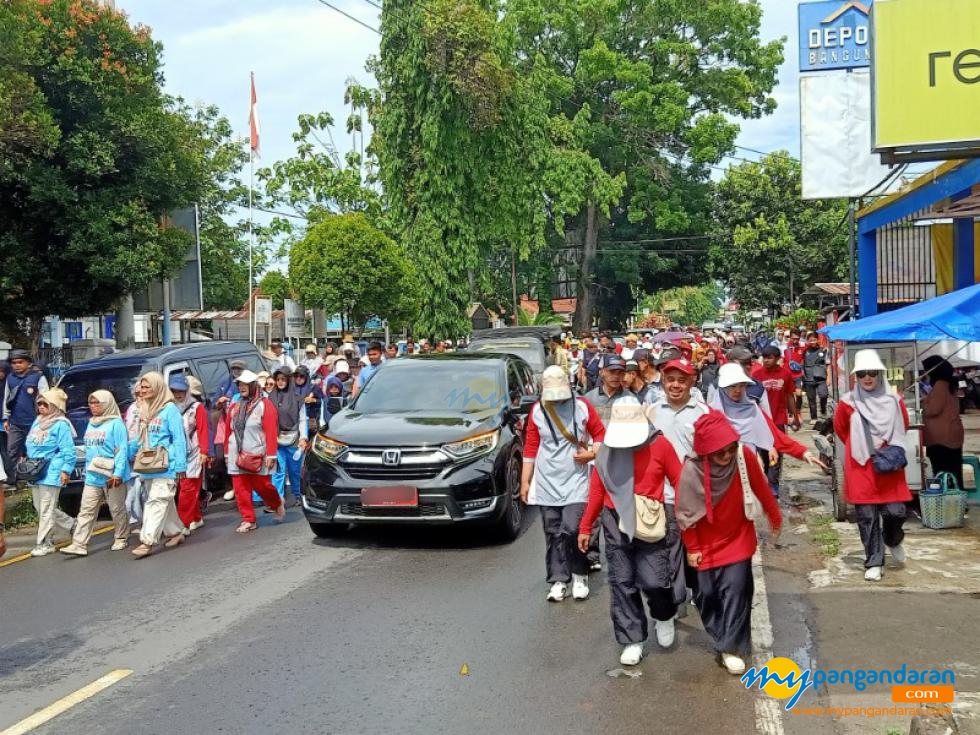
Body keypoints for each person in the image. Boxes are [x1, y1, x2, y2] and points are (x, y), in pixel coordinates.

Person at [579, 396, 683, 666]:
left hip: (649, 520)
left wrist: (687, 516)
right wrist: (586, 527)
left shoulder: (660, 445)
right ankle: (632, 639)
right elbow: (597, 490)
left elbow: (680, 480)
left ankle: (664, 614)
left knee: (655, 580)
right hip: (615, 520)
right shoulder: (607, 450)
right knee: (622, 582)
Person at [676, 410, 782, 675]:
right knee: (706, 595)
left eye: (730, 448)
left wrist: (775, 516)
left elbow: (760, 487)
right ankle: (722, 635)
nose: (727, 455)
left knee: (736, 589)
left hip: (737, 537)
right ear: (705, 452)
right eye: (719, 452)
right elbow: (686, 514)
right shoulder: (691, 471)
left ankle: (731, 647)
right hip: (704, 542)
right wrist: (693, 548)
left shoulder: (743, 457)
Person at [520, 366, 605, 602]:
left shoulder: (582, 407)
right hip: (547, 479)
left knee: (572, 528)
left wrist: (591, 455)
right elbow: (531, 447)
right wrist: (525, 480)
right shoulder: (537, 411)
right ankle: (558, 579)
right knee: (553, 531)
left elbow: (600, 434)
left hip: (576, 477)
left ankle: (580, 573)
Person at [834, 349, 912, 582]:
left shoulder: (894, 400)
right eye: (862, 374)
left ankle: (893, 538)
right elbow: (841, 430)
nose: (867, 378)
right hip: (861, 465)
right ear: (855, 378)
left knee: (895, 512)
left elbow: (904, 425)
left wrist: (883, 447)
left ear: (880, 374)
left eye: (872, 373)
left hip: (888, 464)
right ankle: (874, 560)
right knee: (867, 516)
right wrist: (863, 446)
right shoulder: (847, 403)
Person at [711, 364, 820, 497]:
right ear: (722, 388)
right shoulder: (710, 415)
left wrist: (803, 452)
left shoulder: (753, 410)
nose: (738, 390)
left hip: (748, 473)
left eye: (741, 385)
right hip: (720, 477)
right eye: (732, 386)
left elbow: (775, 436)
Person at [60, 391, 131, 556]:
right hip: (93, 474)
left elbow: (121, 449)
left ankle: (121, 537)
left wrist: (118, 473)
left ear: (107, 403)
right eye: (91, 403)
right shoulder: (91, 423)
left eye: (97, 403)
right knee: (86, 509)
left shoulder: (116, 423)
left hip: (112, 474)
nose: (93, 406)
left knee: (116, 508)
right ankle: (79, 544)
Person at [128, 372, 188, 558]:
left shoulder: (170, 410)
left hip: (166, 464)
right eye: (142, 387)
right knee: (163, 501)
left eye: (148, 387)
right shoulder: (144, 409)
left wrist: (180, 465)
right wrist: (128, 453)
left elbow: (179, 439)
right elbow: (139, 437)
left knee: (156, 501)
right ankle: (176, 532)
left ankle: (147, 542)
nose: (143, 391)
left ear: (158, 388)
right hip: (147, 465)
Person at [223, 370, 285, 532]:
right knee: (240, 487)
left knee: (263, 486)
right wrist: (227, 453)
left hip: (258, 453)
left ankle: (276, 502)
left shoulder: (265, 405)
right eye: (239, 384)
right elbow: (228, 431)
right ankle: (248, 519)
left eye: (245, 384)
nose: (242, 387)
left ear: (253, 386)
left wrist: (271, 454)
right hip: (236, 452)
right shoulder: (235, 406)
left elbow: (271, 431)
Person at [24, 388, 77, 557]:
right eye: (38, 403)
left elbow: (68, 451)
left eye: (44, 403)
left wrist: (65, 470)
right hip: (35, 470)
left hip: (52, 470)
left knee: (47, 508)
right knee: (40, 507)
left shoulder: (61, 424)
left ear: (55, 405)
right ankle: (72, 525)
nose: (40, 407)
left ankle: (45, 542)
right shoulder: (38, 421)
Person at [752, 347, 804, 495]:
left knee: (778, 450)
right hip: (761, 421)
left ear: (777, 358)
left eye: (769, 357)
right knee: (763, 451)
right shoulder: (757, 375)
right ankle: (766, 479)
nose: (766, 360)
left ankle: (773, 483)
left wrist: (795, 416)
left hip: (779, 419)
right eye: (764, 357)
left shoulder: (785, 374)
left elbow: (789, 396)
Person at [170, 375, 210, 534]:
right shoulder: (169, 407)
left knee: (188, 488)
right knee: (182, 488)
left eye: (181, 391)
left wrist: (205, 452)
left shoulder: (196, 407)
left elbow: (203, 430)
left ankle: (183, 522)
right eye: (175, 391)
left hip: (193, 452)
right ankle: (196, 517)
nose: (178, 394)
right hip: (175, 452)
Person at [922, 356, 965, 492]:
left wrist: (923, 403)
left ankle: (944, 502)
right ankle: (957, 500)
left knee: (941, 472)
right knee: (954, 471)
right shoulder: (949, 383)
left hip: (941, 439)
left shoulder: (940, 384)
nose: (926, 374)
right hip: (952, 435)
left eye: (927, 370)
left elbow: (933, 409)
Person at [4, 349, 50, 475]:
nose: (17, 365)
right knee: (12, 451)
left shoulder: (38, 378)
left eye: (20, 362)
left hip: (35, 422)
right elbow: (6, 398)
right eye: (14, 363)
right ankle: (14, 478)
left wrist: (44, 419)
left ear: (28, 363)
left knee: (34, 449)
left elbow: (45, 399)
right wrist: (6, 418)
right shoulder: (10, 378)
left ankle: (33, 475)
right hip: (15, 422)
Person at [270, 367, 309, 506]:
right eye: (278, 379)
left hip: (294, 439)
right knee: (278, 471)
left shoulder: (298, 398)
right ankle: (277, 500)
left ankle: (298, 495)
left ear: (288, 380)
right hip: (276, 440)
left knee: (294, 470)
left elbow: (303, 419)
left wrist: (303, 438)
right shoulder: (270, 398)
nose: (280, 382)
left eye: (283, 379)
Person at [584, 354, 633, 424]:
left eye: (620, 373)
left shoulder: (630, 399)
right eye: (612, 372)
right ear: (602, 372)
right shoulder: (589, 398)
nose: (616, 376)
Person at [802, 332, 829, 422]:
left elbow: (828, 365)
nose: (812, 342)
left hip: (821, 378)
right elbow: (801, 363)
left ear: (817, 340)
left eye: (814, 340)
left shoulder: (823, 350)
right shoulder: (804, 351)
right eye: (810, 340)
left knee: (824, 395)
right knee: (811, 400)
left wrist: (828, 378)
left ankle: (823, 410)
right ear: (807, 341)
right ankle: (814, 418)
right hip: (808, 379)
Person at [293, 365, 320, 435]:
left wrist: (313, 400)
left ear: (306, 377)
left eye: (301, 376)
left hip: (309, 423)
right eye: (296, 376)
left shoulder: (313, 387)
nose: (298, 378)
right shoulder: (290, 388)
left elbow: (324, 403)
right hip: (293, 423)